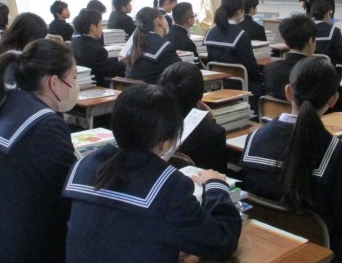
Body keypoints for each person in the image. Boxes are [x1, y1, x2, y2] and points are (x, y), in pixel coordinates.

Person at [62, 84, 241, 262]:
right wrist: (216, 186)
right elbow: (222, 241)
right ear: (165, 142)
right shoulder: (170, 187)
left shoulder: (83, 166)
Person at [240, 57, 342, 262]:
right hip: (321, 251)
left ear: (288, 92)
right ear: (333, 100)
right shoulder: (338, 154)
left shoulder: (254, 139)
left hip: (266, 245)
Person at [0, 39, 77, 262]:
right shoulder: (46, 125)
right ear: (53, 82)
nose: (75, 85)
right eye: (74, 78)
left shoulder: (10, 104)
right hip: (6, 249)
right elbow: (70, 188)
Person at [264, 14, 342, 113]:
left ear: (286, 41)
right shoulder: (319, 73)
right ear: (311, 41)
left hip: (280, 124)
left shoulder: (270, 69)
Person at [159, 62, 227, 172]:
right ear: (201, 94)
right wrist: (211, 121)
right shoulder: (213, 132)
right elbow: (219, 173)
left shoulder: (152, 121)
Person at [204, 0, 261, 90]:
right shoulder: (241, 35)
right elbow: (251, 68)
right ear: (240, 11)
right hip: (240, 85)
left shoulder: (210, 33)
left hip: (216, 84)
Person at [124, 7, 181, 83]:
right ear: (159, 20)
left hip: (133, 90)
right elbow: (181, 73)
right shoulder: (165, 47)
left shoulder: (135, 44)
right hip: (152, 89)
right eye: (164, 17)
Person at [72, 9, 125, 87]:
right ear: (93, 27)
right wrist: (124, 63)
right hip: (98, 86)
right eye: (100, 25)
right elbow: (113, 71)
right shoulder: (98, 50)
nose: (101, 29)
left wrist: (117, 59)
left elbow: (102, 62)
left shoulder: (75, 43)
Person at [310, 0, 342, 76]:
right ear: (327, 14)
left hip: (306, 71)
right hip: (327, 73)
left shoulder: (304, 29)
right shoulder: (333, 30)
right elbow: (340, 56)